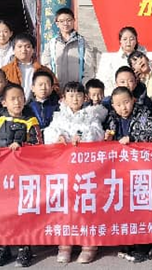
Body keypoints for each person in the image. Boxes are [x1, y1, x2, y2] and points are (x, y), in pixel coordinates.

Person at [43, 82, 107, 264]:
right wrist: (58, 137)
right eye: (70, 95)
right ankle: (65, 244)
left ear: (85, 97)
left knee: (87, 205)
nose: (75, 99)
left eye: (78, 95)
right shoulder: (58, 116)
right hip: (65, 168)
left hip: (86, 169)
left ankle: (89, 245)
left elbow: (98, 133)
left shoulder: (91, 115)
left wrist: (83, 136)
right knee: (66, 205)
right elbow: (49, 133)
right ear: (64, 98)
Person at [0, 83, 41, 267]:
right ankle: (3, 248)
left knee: (23, 211)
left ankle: (25, 248)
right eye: (13, 99)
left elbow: (38, 145)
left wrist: (23, 146)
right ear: (4, 102)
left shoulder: (31, 122)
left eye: (20, 98)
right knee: (3, 211)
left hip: (23, 175)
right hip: (2, 175)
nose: (17, 102)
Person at [106, 86, 152, 264]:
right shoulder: (111, 118)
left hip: (142, 168)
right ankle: (129, 242)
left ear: (133, 100)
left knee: (141, 206)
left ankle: (145, 247)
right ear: (113, 106)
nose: (123, 107)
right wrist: (107, 137)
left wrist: (133, 138)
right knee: (124, 207)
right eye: (119, 104)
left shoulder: (143, 113)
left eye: (126, 102)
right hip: (121, 170)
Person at [41, 7, 98, 85]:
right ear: (57, 24)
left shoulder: (82, 43)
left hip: (77, 88)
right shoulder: (51, 44)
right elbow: (46, 66)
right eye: (61, 21)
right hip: (57, 87)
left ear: (74, 21)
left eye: (69, 20)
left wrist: (84, 85)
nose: (65, 23)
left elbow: (89, 67)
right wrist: (52, 85)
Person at [2, 33, 58, 99]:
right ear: (13, 50)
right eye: (19, 47)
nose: (23, 50)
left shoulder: (43, 70)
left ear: (33, 50)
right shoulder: (5, 70)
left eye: (27, 47)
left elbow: (55, 88)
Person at [97, 26, 146, 92]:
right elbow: (103, 79)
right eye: (125, 39)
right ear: (120, 41)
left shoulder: (144, 57)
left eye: (132, 39)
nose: (128, 42)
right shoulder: (110, 59)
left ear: (136, 40)